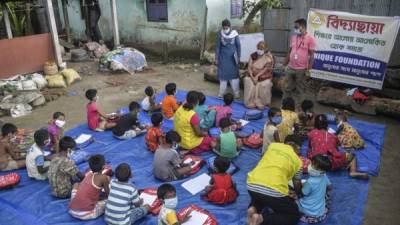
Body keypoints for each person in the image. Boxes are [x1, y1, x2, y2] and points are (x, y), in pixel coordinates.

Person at [247, 135, 303, 225]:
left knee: (262, 197)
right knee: (293, 214)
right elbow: (297, 184)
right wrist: (299, 193)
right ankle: (261, 219)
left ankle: (253, 209)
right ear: (298, 147)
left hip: (252, 184)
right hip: (274, 190)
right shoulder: (298, 162)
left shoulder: (273, 146)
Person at [307, 114, 368, 179]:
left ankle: (317, 166)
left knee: (311, 151)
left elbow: (310, 147)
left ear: (315, 124)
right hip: (330, 163)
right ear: (327, 125)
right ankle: (353, 171)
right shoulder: (333, 136)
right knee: (352, 156)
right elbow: (336, 149)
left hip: (316, 162)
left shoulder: (312, 133)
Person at [283, 18, 316, 109]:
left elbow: (312, 56)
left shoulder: (310, 39)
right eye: (295, 27)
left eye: (296, 27)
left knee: (300, 90)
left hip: (301, 69)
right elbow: (289, 51)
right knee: (287, 88)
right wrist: (284, 64)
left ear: (303, 27)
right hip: (290, 67)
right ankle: (285, 108)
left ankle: (299, 110)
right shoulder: (294, 37)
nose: (295, 29)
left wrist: (309, 70)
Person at [69, 154, 110, 220]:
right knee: (109, 201)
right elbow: (108, 194)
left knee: (76, 185)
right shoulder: (104, 178)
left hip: (72, 210)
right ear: (103, 166)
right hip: (85, 214)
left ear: (90, 167)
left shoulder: (89, 175)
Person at [297, 154, 332, 224]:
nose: (310, 166)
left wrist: (301, 185)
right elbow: (330, 186)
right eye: (312, 163)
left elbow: (303, 193)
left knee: (294, 199)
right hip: (320, 212)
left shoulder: (310, 182)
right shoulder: (324, 175)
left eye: (313, 165)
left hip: (309, 212)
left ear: (321, 170)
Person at [244, 41, 275, 109]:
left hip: (263, 76)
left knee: (265, 84)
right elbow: (249, 67)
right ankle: (250, 102)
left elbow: (266, 69)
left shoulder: (268, 57)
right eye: (258, 48)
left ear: (265, 49)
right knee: (247, 80)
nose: (259, 50)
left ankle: (262, 102)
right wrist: (252, 77)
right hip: (252, 75)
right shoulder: (253, 55)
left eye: (261, 49)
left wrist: (257, 76)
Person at [215, 19, 241, 99]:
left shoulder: (235, 34)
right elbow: (218, 47)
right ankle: (221, 93)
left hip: (233, 58)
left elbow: (238, 46)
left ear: (230, 27)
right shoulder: (220, 34)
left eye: (226, 27)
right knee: (223, 76)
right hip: (223, 58)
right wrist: (216, 58)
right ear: (222, 27)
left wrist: (239, 57)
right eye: (224, 28)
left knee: (234, 76)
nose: (225, 29)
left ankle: (236, 93)